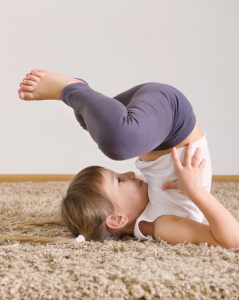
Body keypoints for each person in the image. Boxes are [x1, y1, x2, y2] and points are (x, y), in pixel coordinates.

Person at [1, 69, 239, 248]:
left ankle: (84, 106)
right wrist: (196, 191)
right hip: (172, 117)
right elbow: (232, 240)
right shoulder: (163, 226)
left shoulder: (151, 213)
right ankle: (75, 92)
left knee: (119, 138)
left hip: (148, 121)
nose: (129, 173)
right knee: (120, 144)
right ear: (117, 219)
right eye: (119, 181)